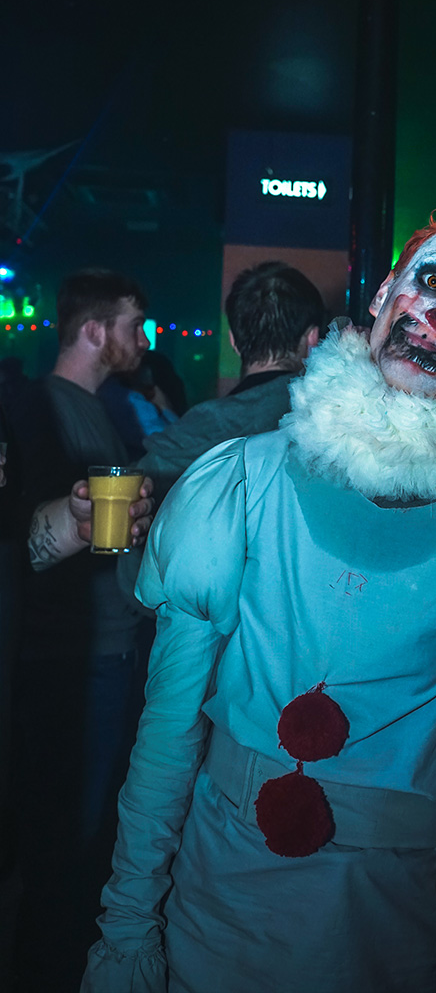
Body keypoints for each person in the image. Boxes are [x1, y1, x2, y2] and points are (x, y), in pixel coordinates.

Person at [83, 201, 436, 993]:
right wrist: (128, 931)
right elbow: (165, 737)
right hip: (211, 918)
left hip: (388, 937)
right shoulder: (242, 481)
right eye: (434, 282)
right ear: (382, 296)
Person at [7, 268, 155, 992]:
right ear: (95, 331)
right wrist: (76, 525)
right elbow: (27, 548)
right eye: (133, 325)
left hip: (109, 648)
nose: (144, 339)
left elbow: (104, 535)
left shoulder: (107, 410)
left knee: (88, 829)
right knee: (67, 837)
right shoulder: (40, 411)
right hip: (74, 657)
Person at [115, 260, 325, 601]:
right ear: (313, 339)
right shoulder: (337, 427)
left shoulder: (196, 430)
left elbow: (135, 571)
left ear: (234, 341)